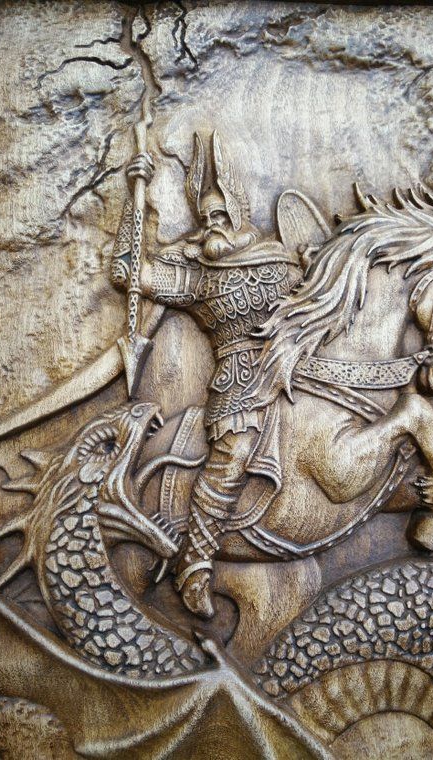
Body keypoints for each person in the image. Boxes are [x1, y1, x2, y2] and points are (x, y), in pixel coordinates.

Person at [111, 131, 302, 618]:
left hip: (297, 367)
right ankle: (195, 565)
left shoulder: (282, 263)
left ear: (238, 214)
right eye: (205, 217)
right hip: (238, 384)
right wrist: (135, 199)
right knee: (231, 456)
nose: (211, 224)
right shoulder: (198, 277)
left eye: (220, 216)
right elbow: (130, 274)